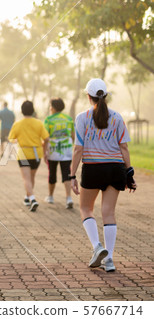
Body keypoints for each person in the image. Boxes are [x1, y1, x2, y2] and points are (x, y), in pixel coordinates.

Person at [71, 78, 136, 272]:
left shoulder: (82, 118)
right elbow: (124, 147)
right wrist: (129, 172)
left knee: (85, 209)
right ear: (105, 96)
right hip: (115, 169)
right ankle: (110, 260)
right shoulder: (117, 117)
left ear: (88, 96)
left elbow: (78, 149)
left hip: (92, 168)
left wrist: (72, 175)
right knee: (108, 213)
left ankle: (97, 247)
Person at [9, 101, 49, 212]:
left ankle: (32, 198)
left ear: (22, 111)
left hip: (23, 154)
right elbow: (46, 139)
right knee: (31, 177)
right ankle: (27, 197)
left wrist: (19, 140)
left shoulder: (17, 124)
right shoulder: (39, 123)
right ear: (33, 110)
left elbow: (11, 139)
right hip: (37, 154)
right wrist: (44, 150)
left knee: (26, 179)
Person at [44, 98, 75, 208]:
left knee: (52, 173)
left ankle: (51, 196)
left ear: (53, 107)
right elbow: (72, 136)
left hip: (53, 150)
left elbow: (46, 137)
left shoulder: (48, 120)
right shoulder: (68, 119)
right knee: (66, 173)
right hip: (66, 149)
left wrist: (44, 151)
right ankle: (68, 198)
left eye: (50, 106)